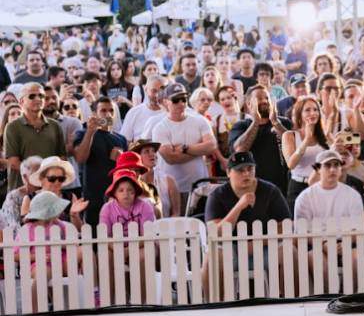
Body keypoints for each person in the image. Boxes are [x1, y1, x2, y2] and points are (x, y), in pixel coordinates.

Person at [151, 86, 218, 217]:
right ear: (166, 102)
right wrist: (199, 148)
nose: (181, 103)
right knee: (176, 231)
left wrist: (184, 148)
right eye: (176, 100)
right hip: (172, 190)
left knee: (200, 228)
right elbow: (171, 159)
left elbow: (212, 145)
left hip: (199, 186)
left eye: (184, 99)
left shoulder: (200, 120)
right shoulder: (159, 128)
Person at [4, 84, 69, 195]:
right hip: (23, 190)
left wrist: (49, 180)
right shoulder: (12, 127)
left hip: (51, 189)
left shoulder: (55, 125)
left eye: (41, 96)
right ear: (21, 101)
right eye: (32, 96)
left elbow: (61, 158)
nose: (38, 99)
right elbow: (13, 162)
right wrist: (39, 179)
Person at [72, 96, 126, 227]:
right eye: (103, 110)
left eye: (111, 110)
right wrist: (90, 131)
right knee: (95, 242)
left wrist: (121, 160)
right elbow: (80, 158)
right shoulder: (83, 133)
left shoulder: (121, 139)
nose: (107, 114)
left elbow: (127, 170)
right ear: (95, 113)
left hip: (118, 198)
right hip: (94, 199)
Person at [204, 152, 292, 225]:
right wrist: (239, 206)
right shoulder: (217, 195)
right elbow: (215, 233)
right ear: (228, 172)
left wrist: (256, 243)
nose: (246, 173)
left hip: (267, 244)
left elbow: (286, 225)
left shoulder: (270, 191)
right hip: (230, 245)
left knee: (289, 246)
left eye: (250, 169)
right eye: (240, 170)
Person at [294, 150, 364, 221]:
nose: (332, 169)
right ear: (318, 169)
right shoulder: (305, 197)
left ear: (340, 168)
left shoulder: (353, 195)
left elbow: (358, 229)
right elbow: (301, 229)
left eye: (336, 165)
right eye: (327, 165)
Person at [99, 167, 156, 234]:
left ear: (135, 191)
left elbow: (148, 237)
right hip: (115, 245)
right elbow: (105, 239)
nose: (125, 194)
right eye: (121, 190)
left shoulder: (145, 207)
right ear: (114, 193)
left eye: (130, 190)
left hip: (144, 245)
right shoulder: (107, 209)